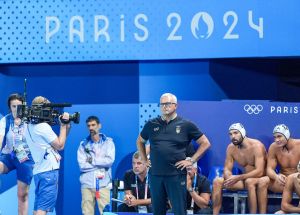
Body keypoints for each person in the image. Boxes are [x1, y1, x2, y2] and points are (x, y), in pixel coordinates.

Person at [136, 92, 211, 215]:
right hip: (155, 175)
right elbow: (139, 141)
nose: (164, 106)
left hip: (176, 175)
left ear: (175, 106)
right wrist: (144, 159)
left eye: (168, 104)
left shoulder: (186, 125)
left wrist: (191, 160)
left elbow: (205, 143)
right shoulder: (151, 124)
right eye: (162, 104)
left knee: (179, 211)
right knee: (158, 211)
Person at [25, 96, 71, 215]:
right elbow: (60, 145)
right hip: (49, 172)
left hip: (39, 172)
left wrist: (66, 127)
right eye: (48, 109)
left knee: (38, 208)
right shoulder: (43, 127)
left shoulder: (28, 126)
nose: (50, 112)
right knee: (42, 210)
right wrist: (62, 126)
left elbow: (59, 143)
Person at [212, 123, 268, 214]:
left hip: (260, 180)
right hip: (245, 180)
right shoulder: (231, 148)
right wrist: (229, 177)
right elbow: (227, 168)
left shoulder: (257, 146)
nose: (232, 136)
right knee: (217, 181)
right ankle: (215, 213)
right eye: (230, 134)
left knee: (249, 181)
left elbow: (260, 172)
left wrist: (238, 177)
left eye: (235, 133)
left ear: (242, 133)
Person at [0, 93, 35, 215]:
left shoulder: (30, 120)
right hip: (9, 156)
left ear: (24, 107)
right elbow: (0, 139)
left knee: (22, 195)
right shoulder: (5, 120)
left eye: (19, 106)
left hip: (25, 157)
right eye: (13, 106)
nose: (16, 109)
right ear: (10, 107)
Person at [77, 115, 115, 215]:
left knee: (106, 213)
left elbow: (109, 161)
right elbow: (82, 165)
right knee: (87, 213)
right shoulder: (83, 144)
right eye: (88, 126)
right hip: (87, 185)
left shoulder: (108, 142)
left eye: (93, 125)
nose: (91, 128)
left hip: (103, 185)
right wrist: (101, 163)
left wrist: (91, 161)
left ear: (99, 126)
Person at [266, 124, 300, 194]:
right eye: (274, 137)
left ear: (287, 135)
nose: (276, 140)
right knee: (263, 181)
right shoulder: (273, 147)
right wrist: (276, 176)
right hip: (283, 182)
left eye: (279, 136)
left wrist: (295, 178)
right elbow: (269, 169)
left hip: (298, 181)